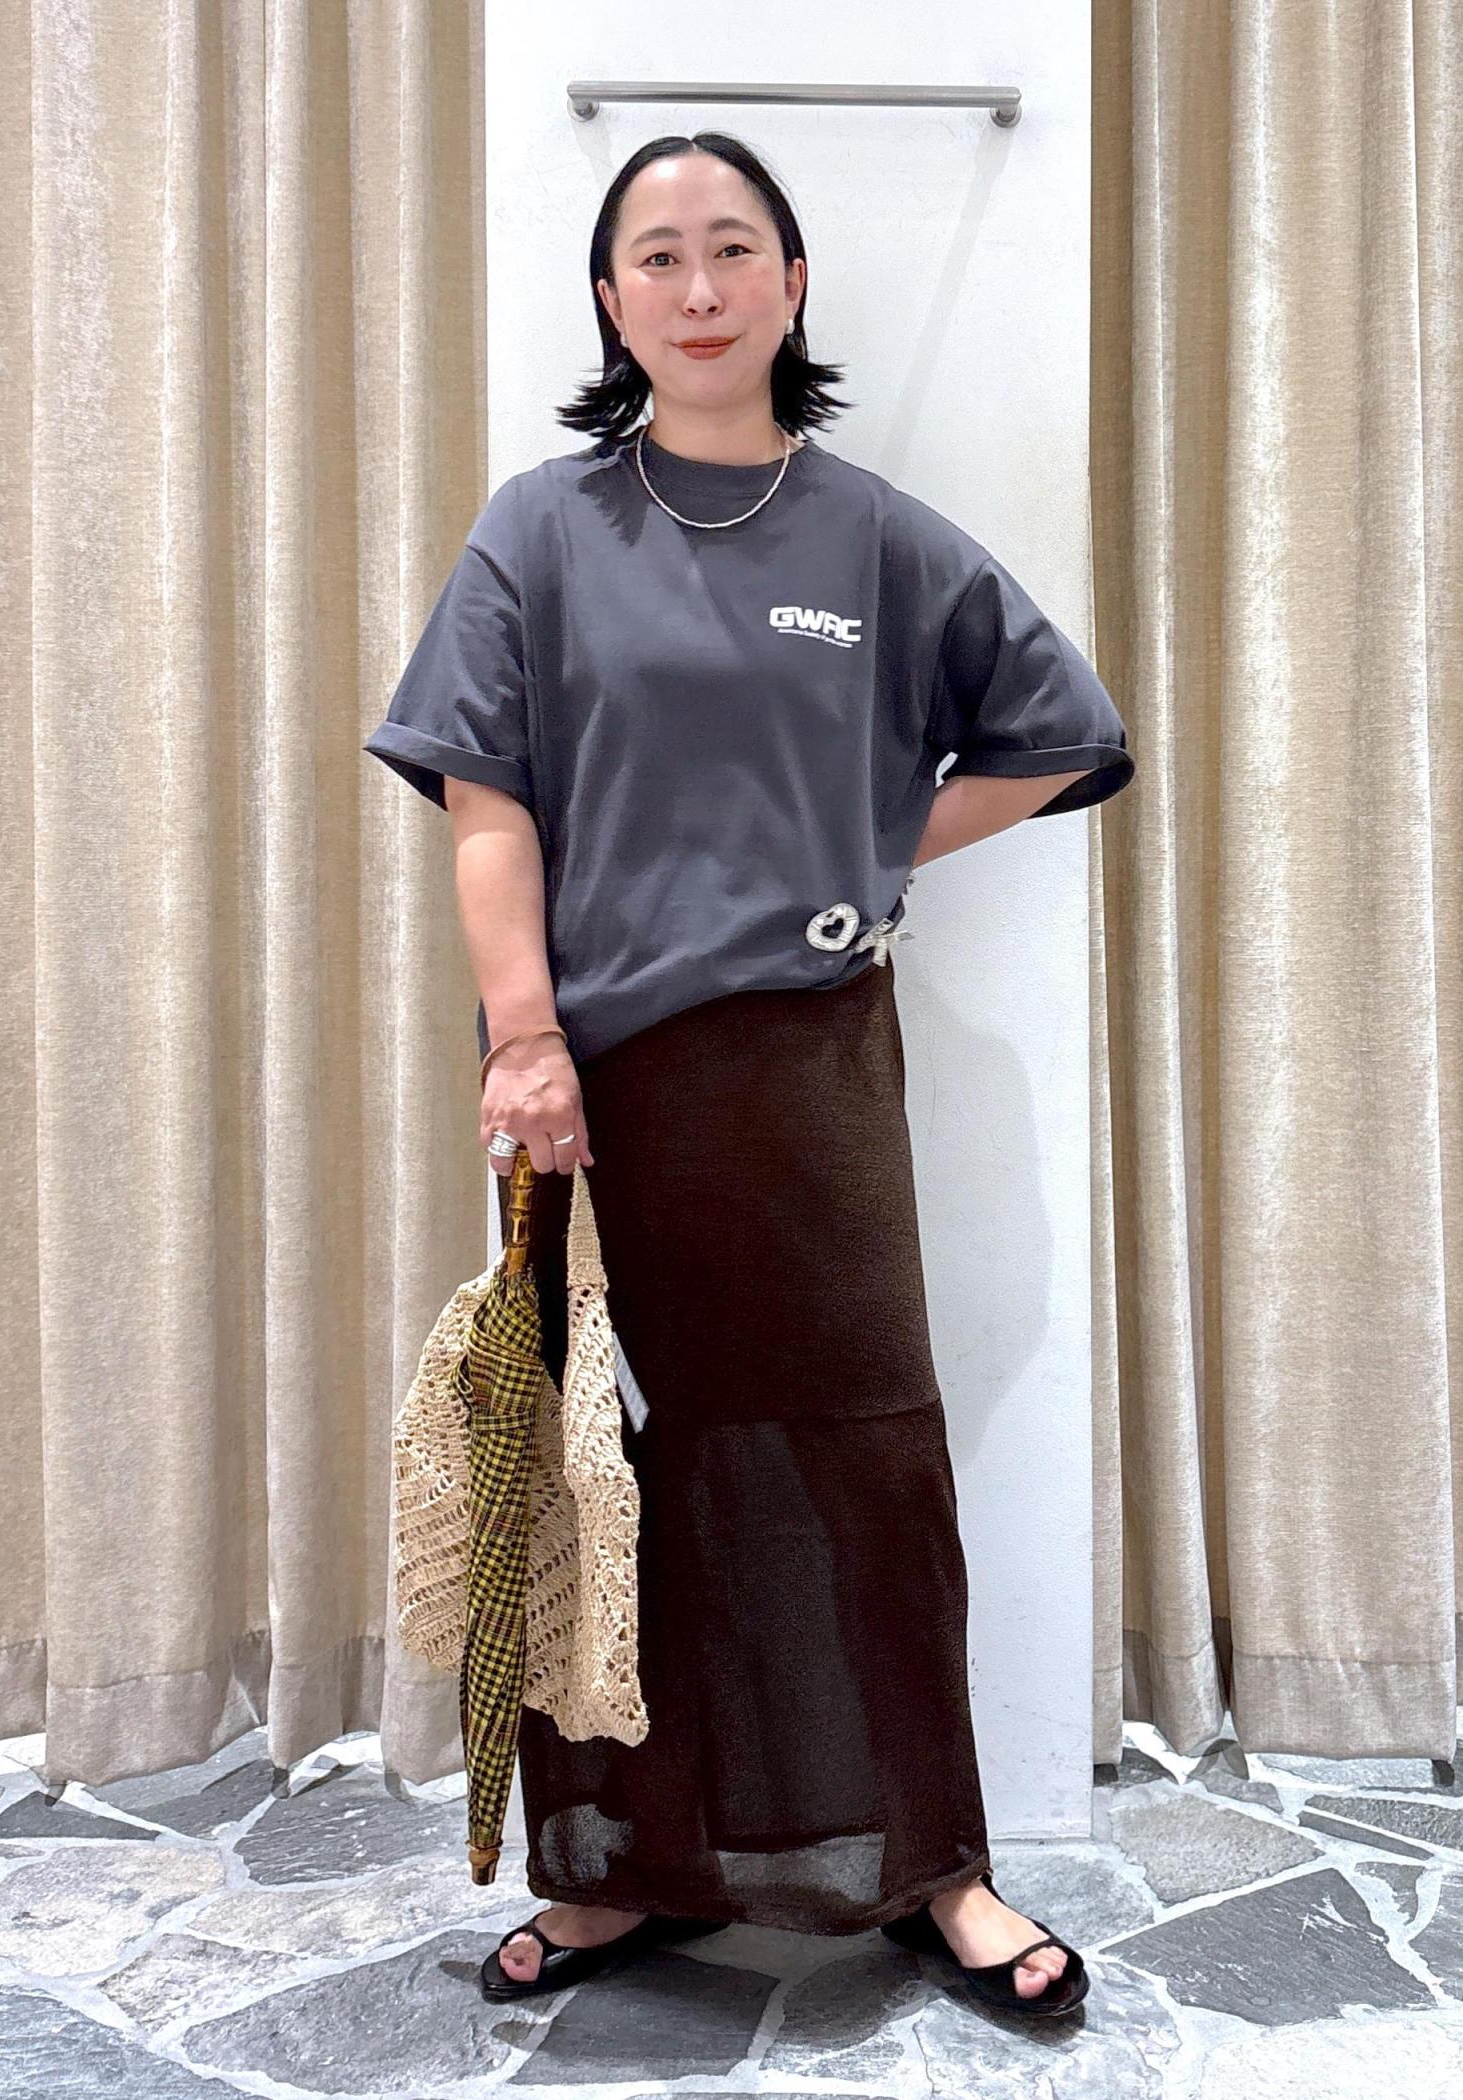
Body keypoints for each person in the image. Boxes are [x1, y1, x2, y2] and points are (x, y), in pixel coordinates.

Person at [363, 131, 1131, 2020]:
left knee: (864, 1462)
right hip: (591, 1086)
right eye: (658, 256)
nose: (697, 287)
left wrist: (864, 846)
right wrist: (525, 1037)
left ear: (792, 285)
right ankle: (616, 1870)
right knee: (599, 1472)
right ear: (611, 302)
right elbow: (484, 799)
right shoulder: (542, 529)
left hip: (808, 1075)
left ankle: (932, 1867)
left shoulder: (874, 536)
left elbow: (1062, 732)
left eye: (733, 249)